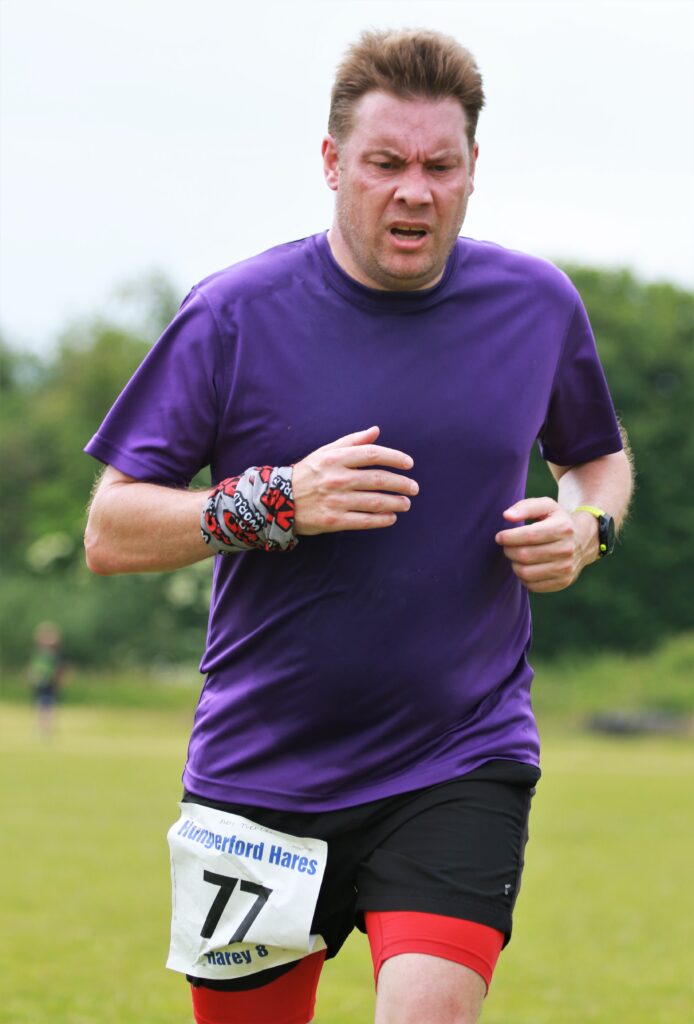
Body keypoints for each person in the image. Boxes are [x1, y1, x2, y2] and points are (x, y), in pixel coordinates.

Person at [84, 28, 633, 1024]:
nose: (414, 191)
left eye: (439, 166)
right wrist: (274, 501)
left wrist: (586, 526)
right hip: (259, 772)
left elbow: (596, 458)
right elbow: (111, 529)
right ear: (333, 162)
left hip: (459, 757)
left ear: (473, 168)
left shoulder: (536, 305)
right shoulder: (232, 314)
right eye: (386, 163)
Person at [27, 621, 65, 739]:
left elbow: (60, 670)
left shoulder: (56, 655)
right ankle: (43, 729)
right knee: (41, 707)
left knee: (49, 708)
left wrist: (59, 682)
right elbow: (33, 668)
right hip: (40, 685)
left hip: (50, 685)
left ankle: (47, 730)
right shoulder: (38, 653)